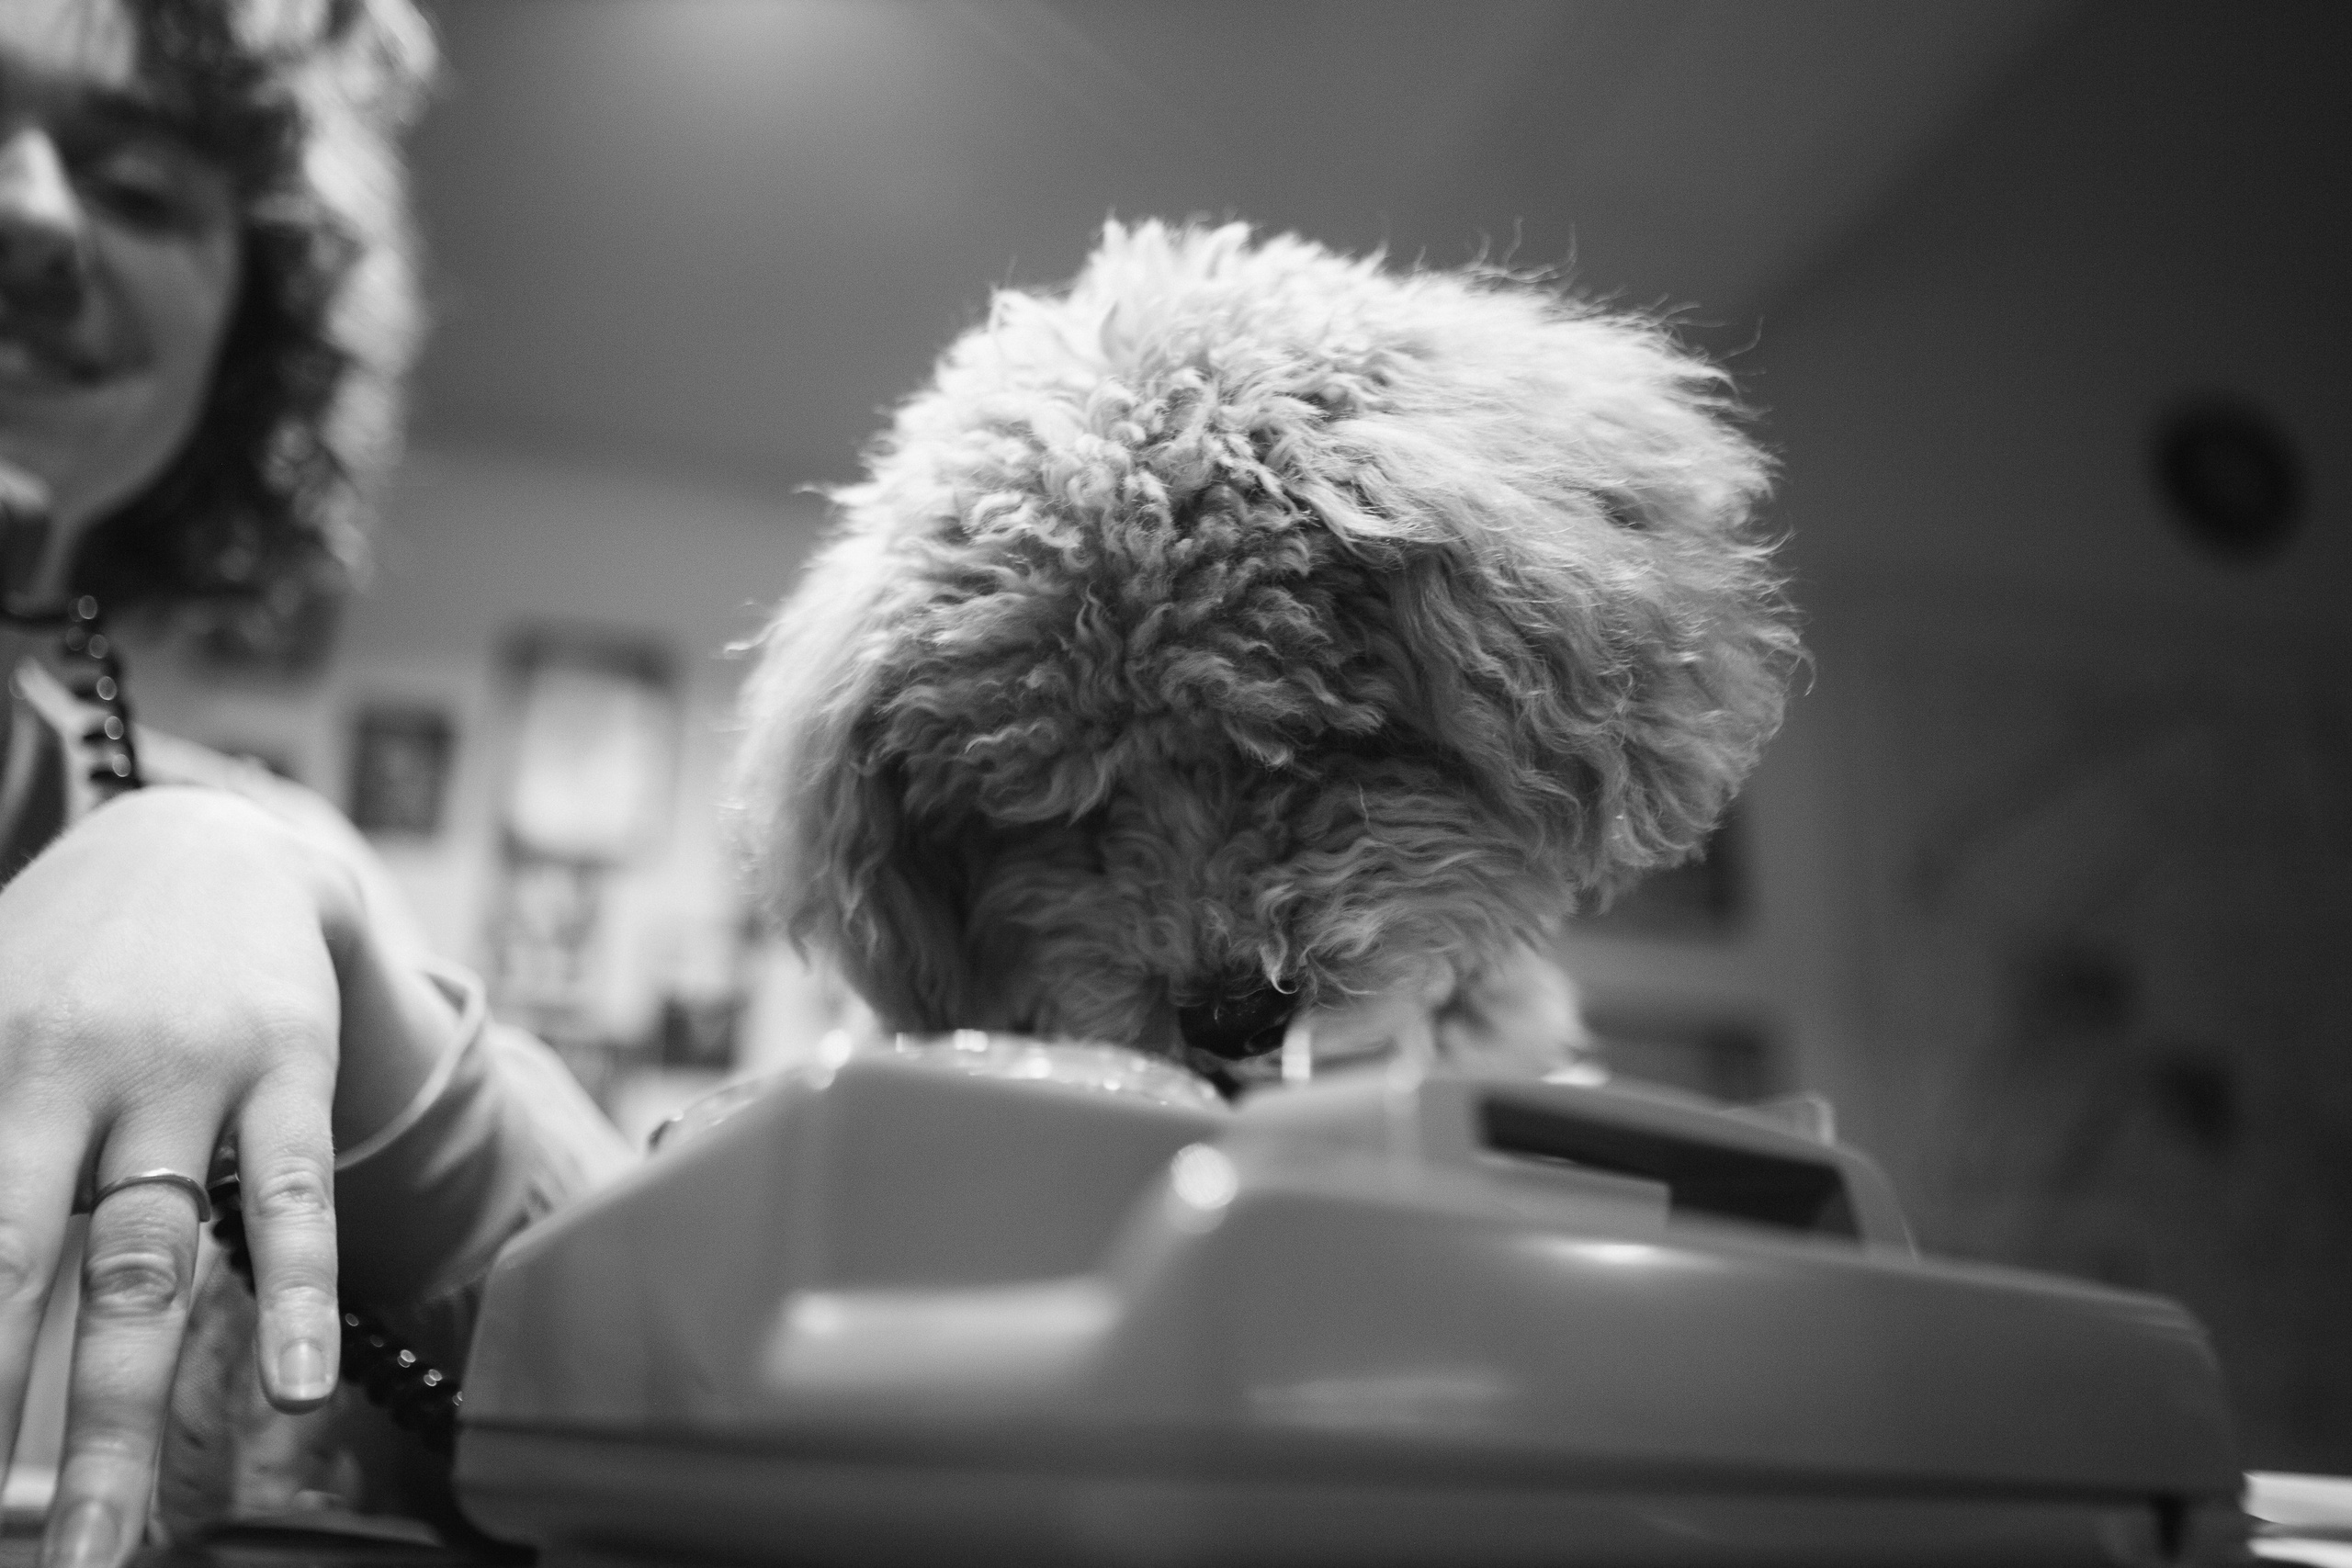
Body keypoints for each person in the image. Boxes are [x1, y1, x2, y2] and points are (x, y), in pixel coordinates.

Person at [0, 3, 625, 1562]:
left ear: (244, 339)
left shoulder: (248, 871)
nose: (30, 213)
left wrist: (277, 889)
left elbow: (649, 1361)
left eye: (143, 189)